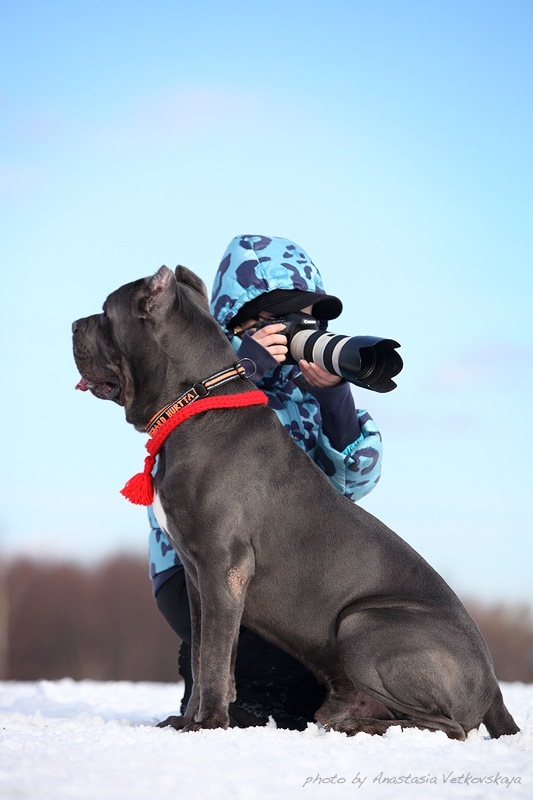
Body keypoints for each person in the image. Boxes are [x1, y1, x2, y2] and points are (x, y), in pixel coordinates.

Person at [149, 234, 383, 729]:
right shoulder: (196, 381)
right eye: (284, 318)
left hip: (286, 575)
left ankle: (253, 690)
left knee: (336, 675)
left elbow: (359, 483)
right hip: (196, 569)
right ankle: (222, 690)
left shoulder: (307, 396)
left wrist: (336, 402)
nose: (302, 330)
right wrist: (242, 369)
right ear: (239, 321)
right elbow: (172, 457)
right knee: (276, 668)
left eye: (311, 319)